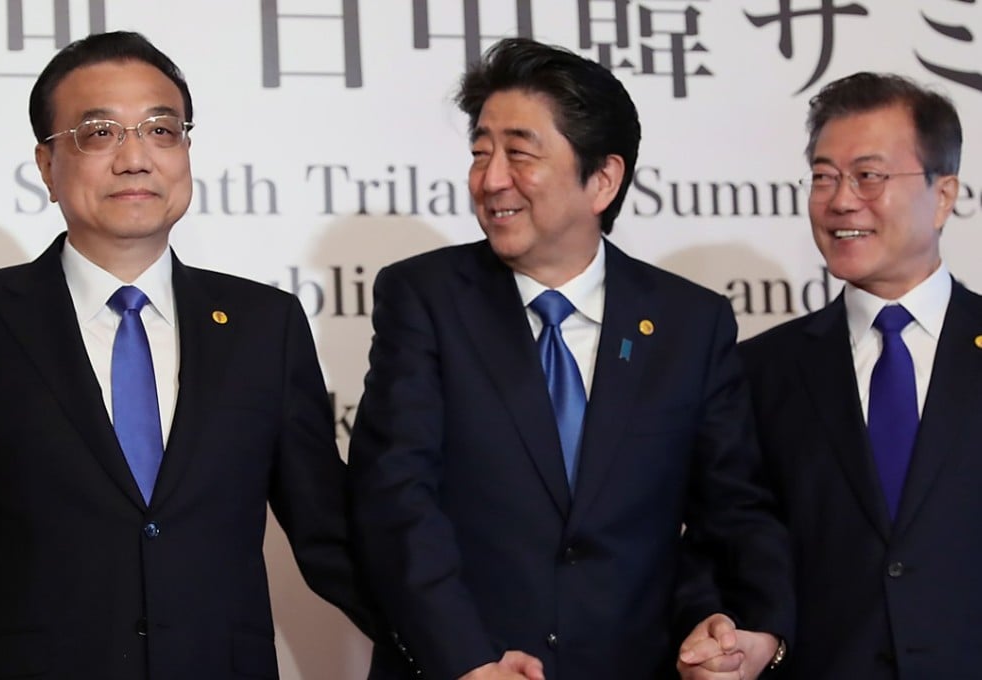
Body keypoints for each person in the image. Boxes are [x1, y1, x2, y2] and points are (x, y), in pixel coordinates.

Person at [347, 37, 792, 680]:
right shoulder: (425, 299)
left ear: (602, 179)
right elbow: (396, 500)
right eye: (480, 152)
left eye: (519, 153)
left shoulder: (689, 324)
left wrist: (739, 625)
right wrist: (467, 660)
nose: (491, 179)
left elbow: (732, 510)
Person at [0, 31, 372, 679]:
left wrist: (461, 653)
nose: (136, 159)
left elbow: (331, 535)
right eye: (100, 133)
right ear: (46, 165)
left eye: (161, 130)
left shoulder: (264, 326)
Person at [738, 72, 970, 678]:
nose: (841, 200)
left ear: (943, 195)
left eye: (869, 175)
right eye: (823, 177)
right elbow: (738, 543)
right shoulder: (762, 372)